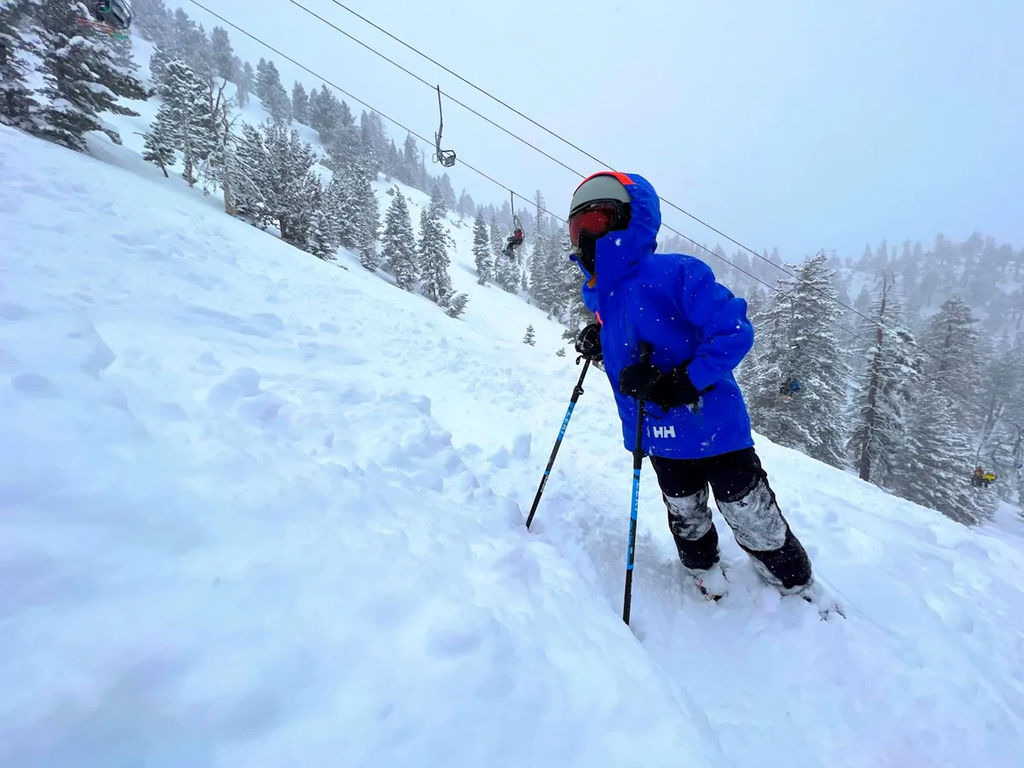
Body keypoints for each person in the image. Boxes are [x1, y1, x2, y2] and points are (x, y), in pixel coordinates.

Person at [568, 171, 818, 604]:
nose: (587, 235)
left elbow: (733, 330)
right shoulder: (601, 296)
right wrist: (599, 340)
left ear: (631, 219)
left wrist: (683, 382)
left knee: (748, 511)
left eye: (598, 220)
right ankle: (703, 569)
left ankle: (793, 582)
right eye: (578, 228)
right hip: (659, 434)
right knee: (684, 513)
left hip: (713, 428)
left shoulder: (676, 273)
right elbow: (630, 350)